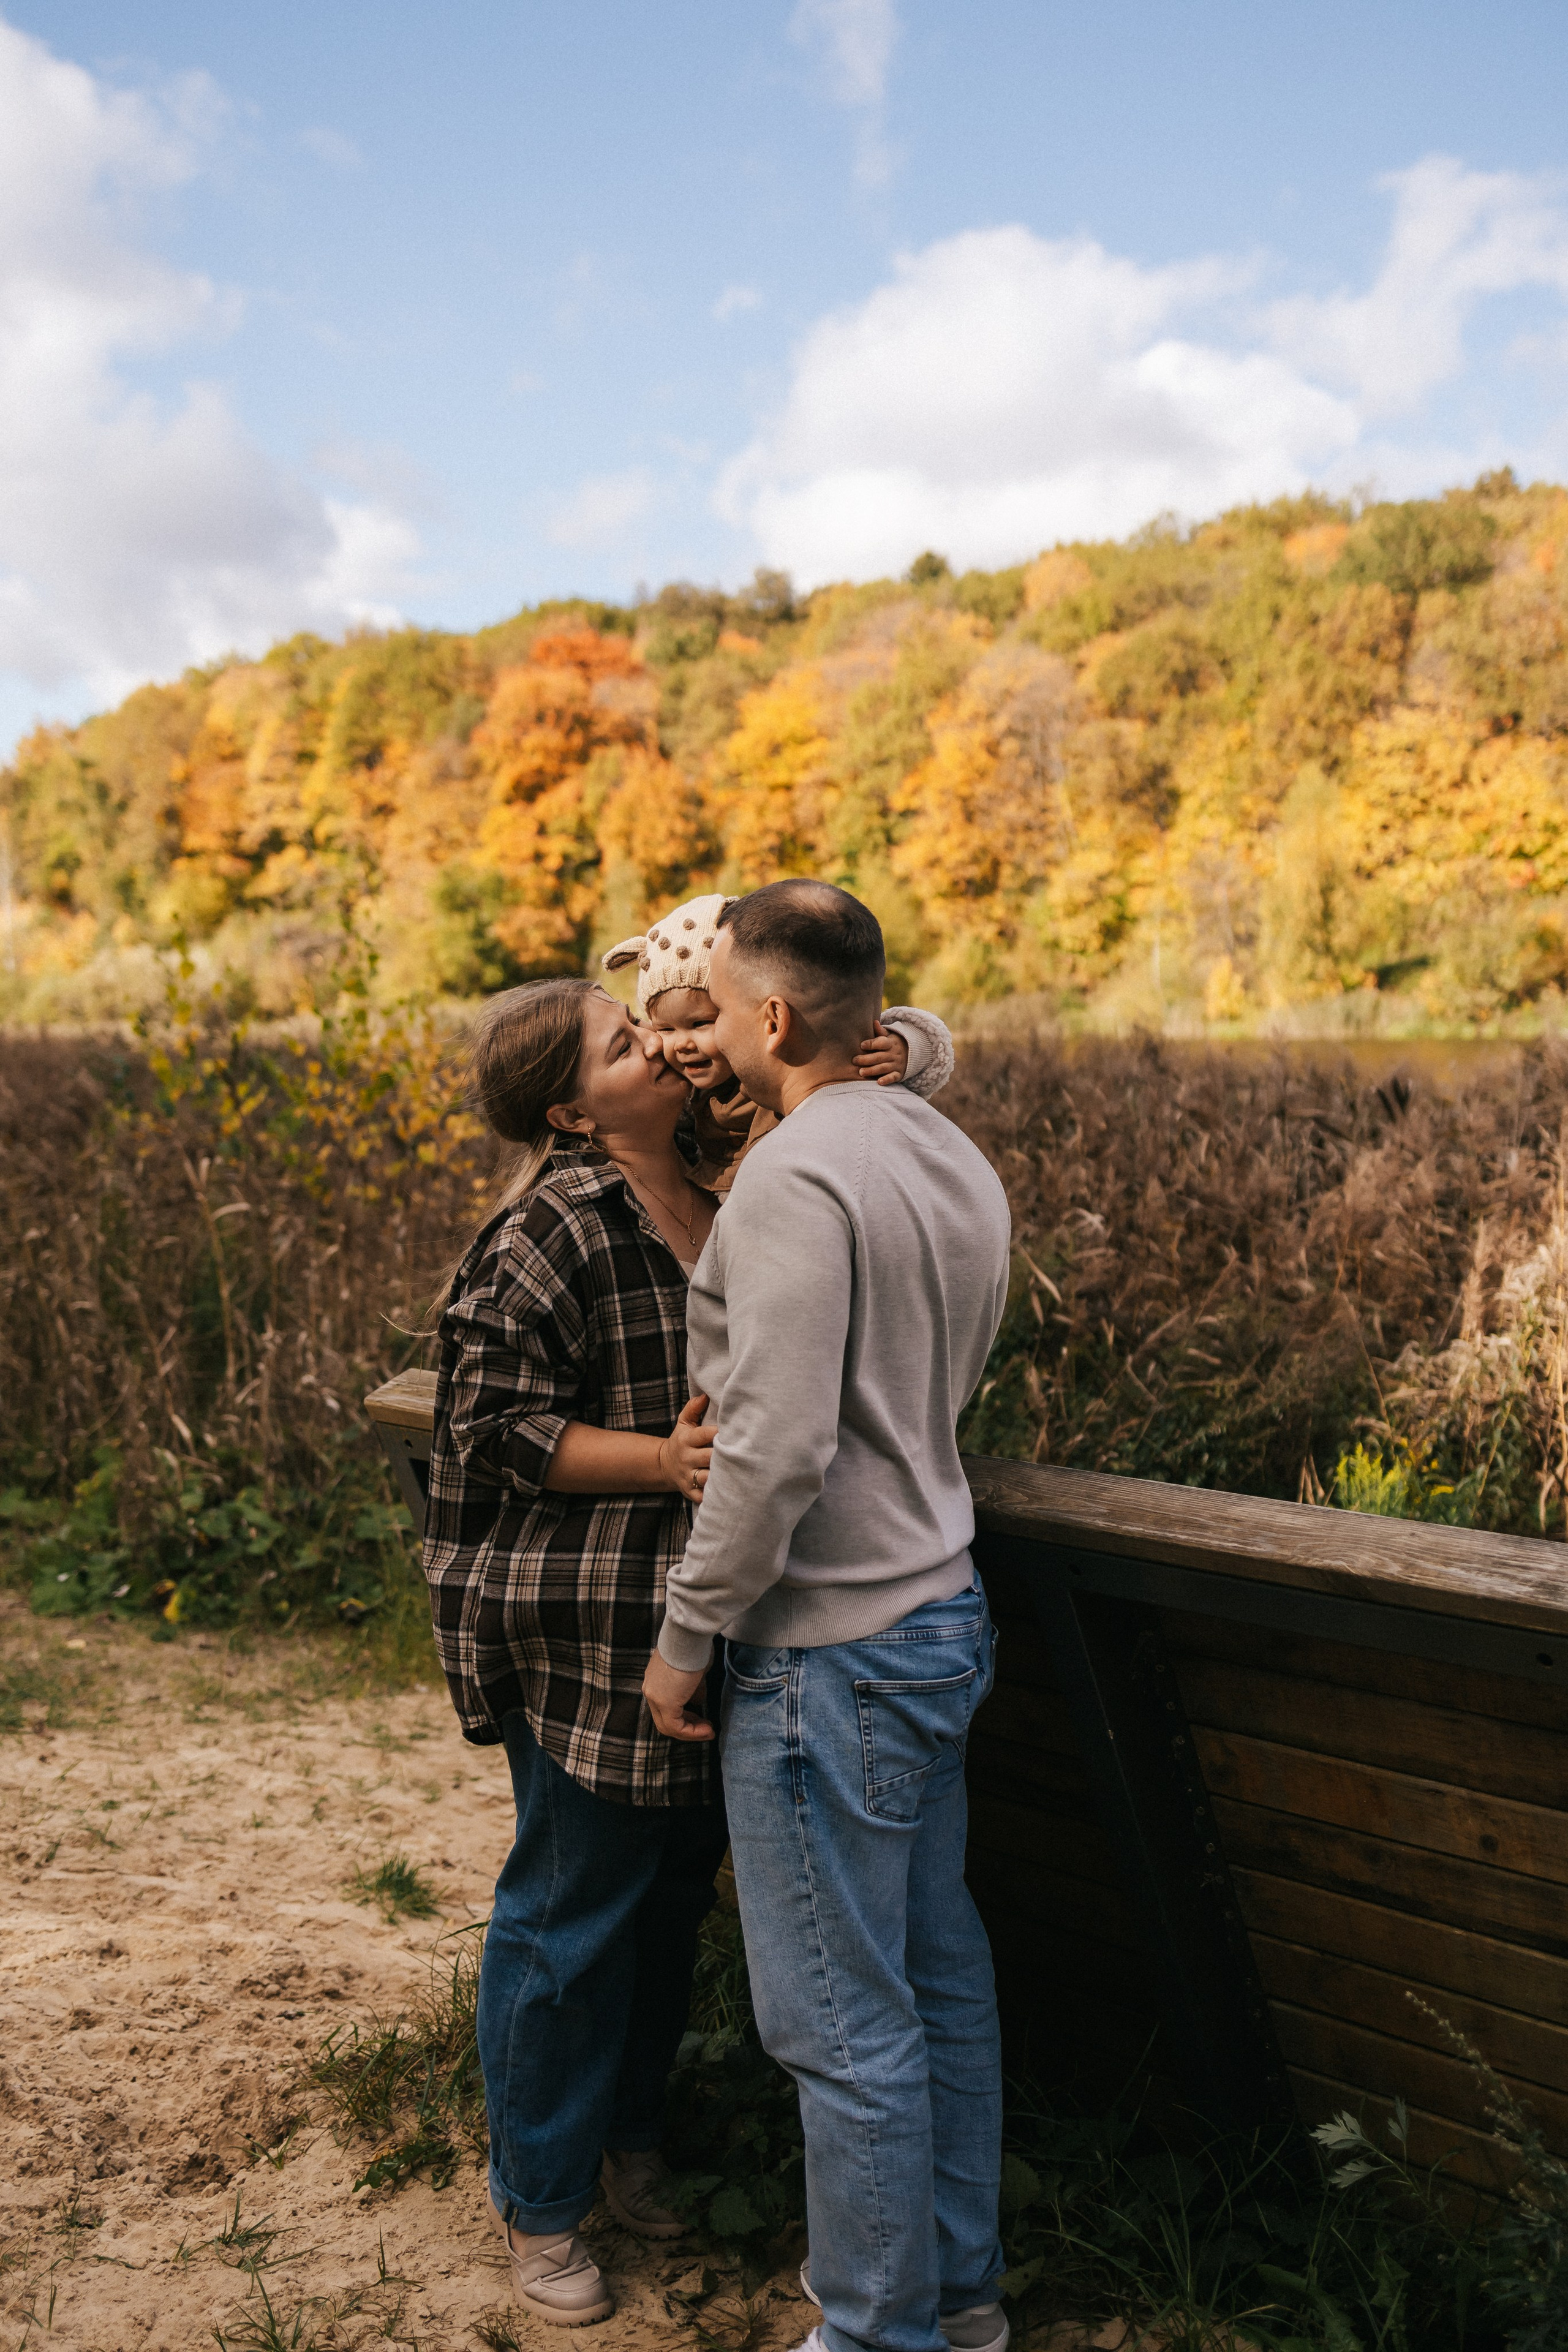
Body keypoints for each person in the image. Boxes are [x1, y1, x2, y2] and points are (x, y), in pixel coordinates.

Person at [642, 880, 1014, 2352]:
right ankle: (955, 2297)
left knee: (838, 2022)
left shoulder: (796, 1177)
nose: (706, 1033)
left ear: (776, 1018)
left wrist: (687, 1636)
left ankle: (871, 2332)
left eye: (719, 1007)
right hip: (938, 1605)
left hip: (829, 1646)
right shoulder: (940, 1147)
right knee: (935, 1977)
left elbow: (777, 1448)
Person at [422, 976, 727, 2327]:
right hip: (590, 1626)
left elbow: (852, 1061)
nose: (655, 1043)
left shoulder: (723, 1170)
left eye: (648, 1023)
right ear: (569, 1108)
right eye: (622, 1043)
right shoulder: (553, 1225)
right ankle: (539, 2205)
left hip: (704, 1623)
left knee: (666, 1909)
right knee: (567, 1920)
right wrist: (664, 1460)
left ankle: (631, 2138)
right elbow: (494, 1424)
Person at [601, 892, 954, 1191]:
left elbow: (859, 1027)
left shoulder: (780, 1066)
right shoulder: (681, 1087)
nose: (683, 1044)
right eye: (666, 1030)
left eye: (703, 1023)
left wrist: (906, 1047)